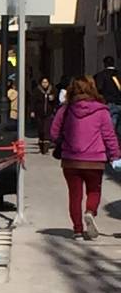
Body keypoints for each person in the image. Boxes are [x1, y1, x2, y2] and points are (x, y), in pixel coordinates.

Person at [50, 75, 121, 240]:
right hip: (95, 160)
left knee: (75, 195)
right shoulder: (101, 110)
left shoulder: (65, 109)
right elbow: (109, 136)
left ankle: (77, 230)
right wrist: (115, 156)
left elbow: (53, 133)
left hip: (71, 160)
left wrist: (65, 140)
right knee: (94, 190)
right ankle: (90, 212)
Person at [94, 56, 121, 134]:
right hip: (119, 102)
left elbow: (99, 88)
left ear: (104, 64)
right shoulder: (119, 74)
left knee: (111, 127)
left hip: (109, 102)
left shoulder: (101, 75)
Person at [29, 76, 56, 155]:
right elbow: (33, 102)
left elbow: (57, 101)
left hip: (49, 113)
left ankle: (45, 148)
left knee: (46, 130)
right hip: (39, 113)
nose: (45, 84)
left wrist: (53, 99)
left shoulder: (53, 90)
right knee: (41, 130)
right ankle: (41, 145)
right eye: (43, 82)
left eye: (46, 82)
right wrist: (32, 111)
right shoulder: (37, 91)